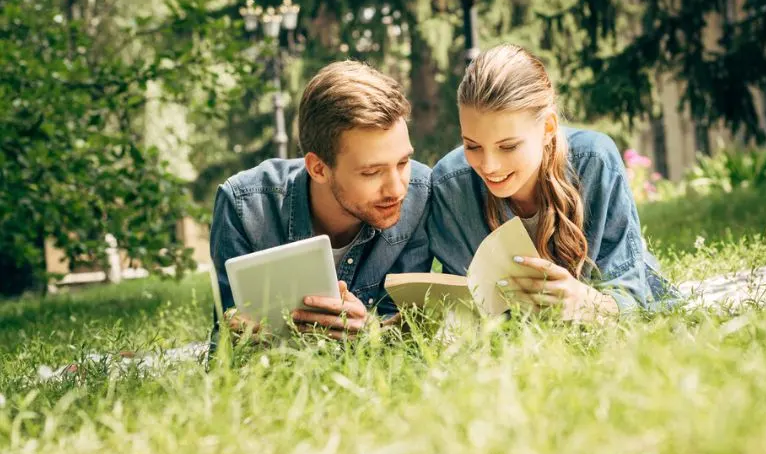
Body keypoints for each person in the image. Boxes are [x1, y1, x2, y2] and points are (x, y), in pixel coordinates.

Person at [429, 43, 677, 321]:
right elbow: (466, 307)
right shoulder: (449, 184)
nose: (489, 166)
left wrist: (588, 302)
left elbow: (632, 295)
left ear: (547, 128)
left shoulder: (595, 161)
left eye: (508, 146)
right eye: (472, 146)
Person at [209, 60, 432, 344]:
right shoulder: (244, 205)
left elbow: (408, 335)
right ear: (318, 168)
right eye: (371, 172)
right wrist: (243, 336)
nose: (397, 188)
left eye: (403, 162)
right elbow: (224, 342)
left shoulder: (419, 193)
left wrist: (369, 331)